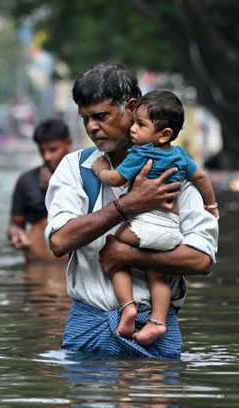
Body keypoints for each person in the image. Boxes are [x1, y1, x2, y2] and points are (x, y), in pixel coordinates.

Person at [44, 63, 218, 359]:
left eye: (101, 116)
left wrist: (130, 256)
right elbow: (59, 241)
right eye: (85, 119)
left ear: (131, 108)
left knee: (153, 404)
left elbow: (201, 259)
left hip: (156, 330)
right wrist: (128, 206)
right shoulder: (77, 168)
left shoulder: (176, 170)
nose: (92, 128)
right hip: (87, 328)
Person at [90, 90, 219, 345]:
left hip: (145, 225)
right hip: (171, 230)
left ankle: (127, 307)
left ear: (164, 134)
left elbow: (117, 179)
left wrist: (100, 170)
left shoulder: (140, 154)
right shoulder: (181, 156)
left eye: (140, 125)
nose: (133, 130)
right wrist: (211, 205)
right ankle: (158, 322)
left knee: (113, 251)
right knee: (156, 271)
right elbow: (202, 178)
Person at [7, 118, 73, 262]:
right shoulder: (26, 181)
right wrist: (17, 235)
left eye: (53, 150)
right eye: (42, 151)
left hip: (75, 267)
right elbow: (15, 224)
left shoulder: (86, 177)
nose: (47, 156)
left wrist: (57, 186)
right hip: (38, 264)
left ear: (68, 144)